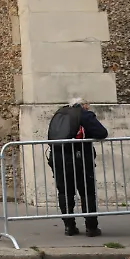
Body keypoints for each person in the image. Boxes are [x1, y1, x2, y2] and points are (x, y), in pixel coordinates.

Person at [47, 97, 108, 237]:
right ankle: (91, 227)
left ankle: (69, 226)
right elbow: (102, 133)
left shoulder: (60, 113)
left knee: (64, 192)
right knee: (87, 192)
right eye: (88, 105)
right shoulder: (84, 114)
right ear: (84, 105)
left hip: (58, 157)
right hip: (80, 158)